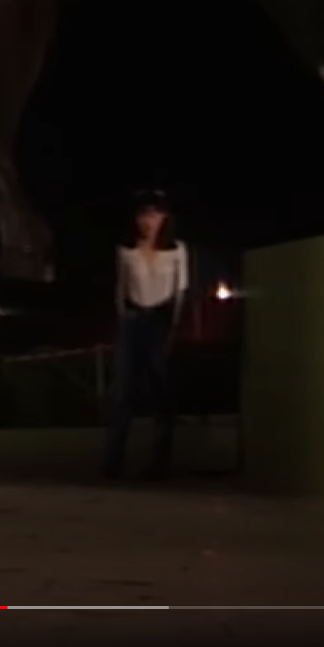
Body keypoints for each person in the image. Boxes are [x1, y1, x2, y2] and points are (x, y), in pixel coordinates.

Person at [104, 190, 189, 479]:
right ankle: (112, 461)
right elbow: (120, 291)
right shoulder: (125, 251)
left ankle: (159, 463)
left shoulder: (177, 250)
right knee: (122, 391)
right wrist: (123, 322)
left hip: (161, 321)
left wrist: (173, 331)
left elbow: (181, 293)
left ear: (164, 217)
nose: (147, 221)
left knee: (161, 393)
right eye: (143, 215)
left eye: (153, 214)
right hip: (133, 321)